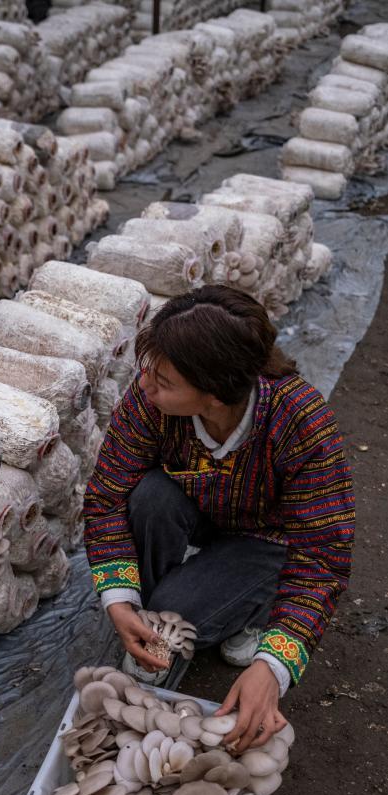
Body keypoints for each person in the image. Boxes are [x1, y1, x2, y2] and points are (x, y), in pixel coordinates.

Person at [83, 285, 354, 753]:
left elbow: (322, 560)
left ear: (213, 396)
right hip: (202, 504)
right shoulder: (150, 401)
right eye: (149, 371)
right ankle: (155, 629)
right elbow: (107, 496)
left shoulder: (303, 424)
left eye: (164, 381)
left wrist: (274, 665)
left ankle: (255, 610)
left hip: (268, 538)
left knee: (178, 606)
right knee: (149, 496)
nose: (145, 386)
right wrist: (118, 598)